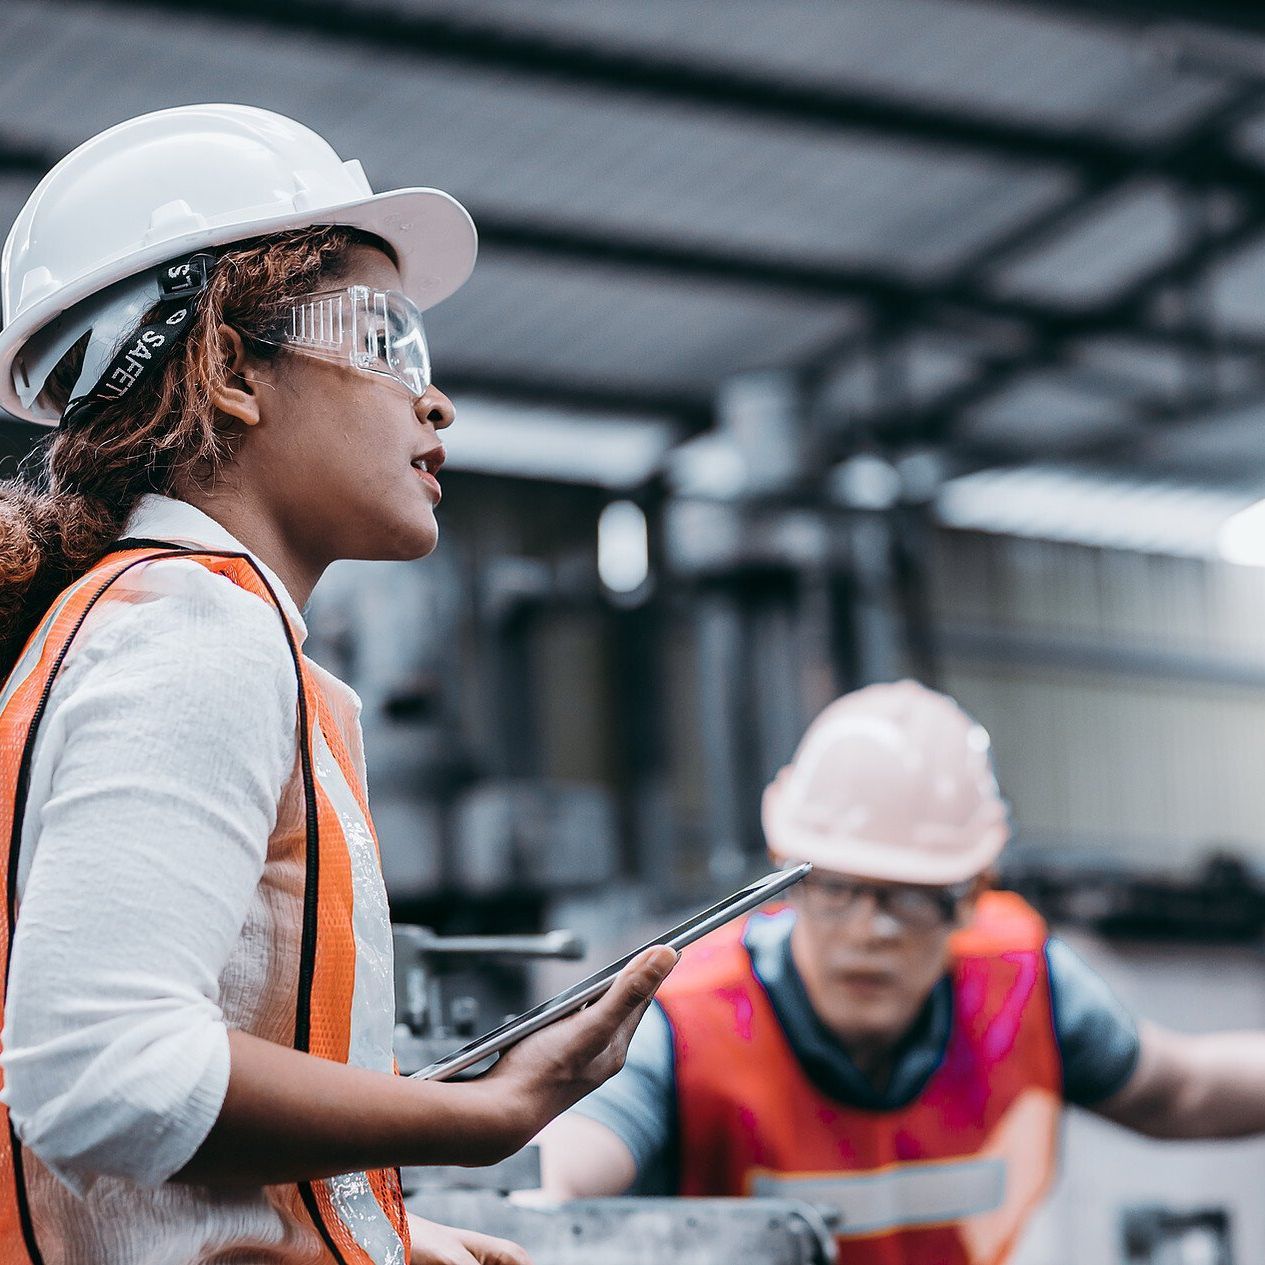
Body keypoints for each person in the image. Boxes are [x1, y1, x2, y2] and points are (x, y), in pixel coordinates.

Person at [0, 104, 676, 1265]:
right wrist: (482, 1116)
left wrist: (376, 1233)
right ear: (226, 371)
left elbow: (152, 1166)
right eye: (383, 340)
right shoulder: (193, 631)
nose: (435, 399)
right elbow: (99, 1074)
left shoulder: (166, 622)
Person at [535, 680, 1265, 1264]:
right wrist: (527, 1212)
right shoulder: (690, 1020)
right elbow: (562, 1168)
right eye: (837, 888)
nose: (867, 929)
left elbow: (1182, 1089)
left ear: (971, 897)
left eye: (909, 899)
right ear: (787, 881)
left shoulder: (1024, 988)